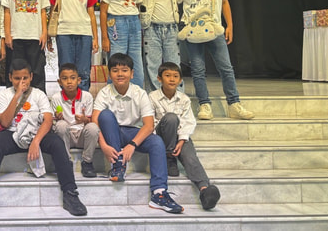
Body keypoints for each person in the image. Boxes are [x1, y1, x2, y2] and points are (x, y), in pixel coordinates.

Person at [0, 59, 87, 216]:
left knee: (57, 143)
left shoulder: (39, 94)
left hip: (36, 134)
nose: (22, 82)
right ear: (10, 78)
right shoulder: (3, 95)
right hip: (13, 134)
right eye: (17, 78)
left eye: (25, 78)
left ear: (31, 77)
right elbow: (5, 122)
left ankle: (70, 193)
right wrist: (17, 95)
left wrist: (36, 142)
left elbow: (47, 120)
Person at [92, 53, 184, 214]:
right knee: (104, 115)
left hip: (132, 133)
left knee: (157, 142)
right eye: (115, 70)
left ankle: (159, 192)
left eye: (124, 70)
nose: (120, 74)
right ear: (109, 74)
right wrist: (104, 145)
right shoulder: (104, 93)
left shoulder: (140, 93)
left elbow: (148, 125)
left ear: (132, 74)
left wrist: (132, 145)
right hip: (111, 132)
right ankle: (118, 165)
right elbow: (94, 122)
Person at [179, 0, 254, 120]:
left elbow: (225, 2)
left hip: (215, 28)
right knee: (198, 69)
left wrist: (230, 26)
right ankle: (204, 104)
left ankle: (234, 104)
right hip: (193, 31)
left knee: (226, 68)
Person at [149, 61, 221, 210]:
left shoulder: (184, 99)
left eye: (175, 76)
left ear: (180, 80)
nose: (172, 79)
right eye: (167, 75)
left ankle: (204, 190)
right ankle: (169, 158)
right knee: (171, 118)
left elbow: (188, 122)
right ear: (159, 78)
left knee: (190, 156)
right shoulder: (152, 97)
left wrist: (181, 141)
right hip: (160, 138)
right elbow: (150, 122)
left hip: (178, 137)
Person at [48, 0, 99, 91]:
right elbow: (52, 15)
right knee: (66, 69)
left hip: (84, 34)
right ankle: (66, 97)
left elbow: (92, 15)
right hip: (63, 34)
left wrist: (95, 38)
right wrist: (49, 37)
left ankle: (83, 98)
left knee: (83, 70)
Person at [2, 0, 49, 91]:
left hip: (35, 36)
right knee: (15, 68)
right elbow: (7, 13)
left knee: (37, 69)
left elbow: (43, 12)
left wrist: (44, 33)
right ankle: (14, 96)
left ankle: (39, 97)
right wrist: (7, 35)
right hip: (16, 36)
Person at [137, 0, 182, 92]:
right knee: (152, 64)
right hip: (151, 29)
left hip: (171, 29)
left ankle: (176, 96)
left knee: (174, 63)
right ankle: (155, 96)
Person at [100, 0, 144, 88]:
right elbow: (103, 12)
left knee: (136, 58)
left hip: (134, 23)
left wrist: (140, 30)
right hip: (117, 24)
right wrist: (105, 38)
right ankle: (113, 91)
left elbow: (137, 8)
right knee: (117, 59)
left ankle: (137, 91)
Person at [50, 62, 99, 178]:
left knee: (93, 127)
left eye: (72, 78)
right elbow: (53, 123)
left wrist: (84, 119)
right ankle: (65, 161)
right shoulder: (56, 98)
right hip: (66, 136)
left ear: (79, 80)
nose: (69, 82)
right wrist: (58, 118)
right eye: (65, 79)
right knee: (61, 125)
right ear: (59, 82)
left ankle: (87, 162)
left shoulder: (87, 96)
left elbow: (90, 121)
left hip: (82, 135)